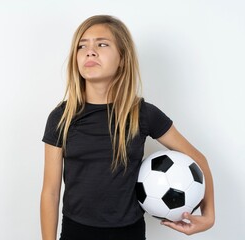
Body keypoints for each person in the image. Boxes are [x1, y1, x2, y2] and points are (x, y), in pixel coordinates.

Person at [40, 15, 215, 240]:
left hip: (128, 233)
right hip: (76, 231)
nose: (89, 51)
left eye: (102, 44)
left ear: (122, 58)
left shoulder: (142, 114)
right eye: (82, 46)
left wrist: (208, 217)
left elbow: (199, 160)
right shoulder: (61, 117)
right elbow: (51, 192)